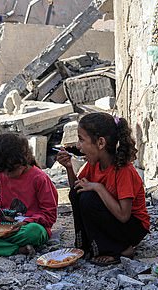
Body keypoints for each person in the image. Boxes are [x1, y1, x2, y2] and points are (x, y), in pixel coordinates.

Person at [56, 112, 149, 265]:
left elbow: (124, 215)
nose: (78, 146)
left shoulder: (123, 170)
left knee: (89, 197)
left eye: (81, 140)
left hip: (133, 227)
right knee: (77, 193)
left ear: (100, 143)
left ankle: (121, 250)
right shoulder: (94, 165)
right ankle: (85, 245)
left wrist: (98, 187)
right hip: (114, 222)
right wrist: (69, 168)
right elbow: (77, 189)